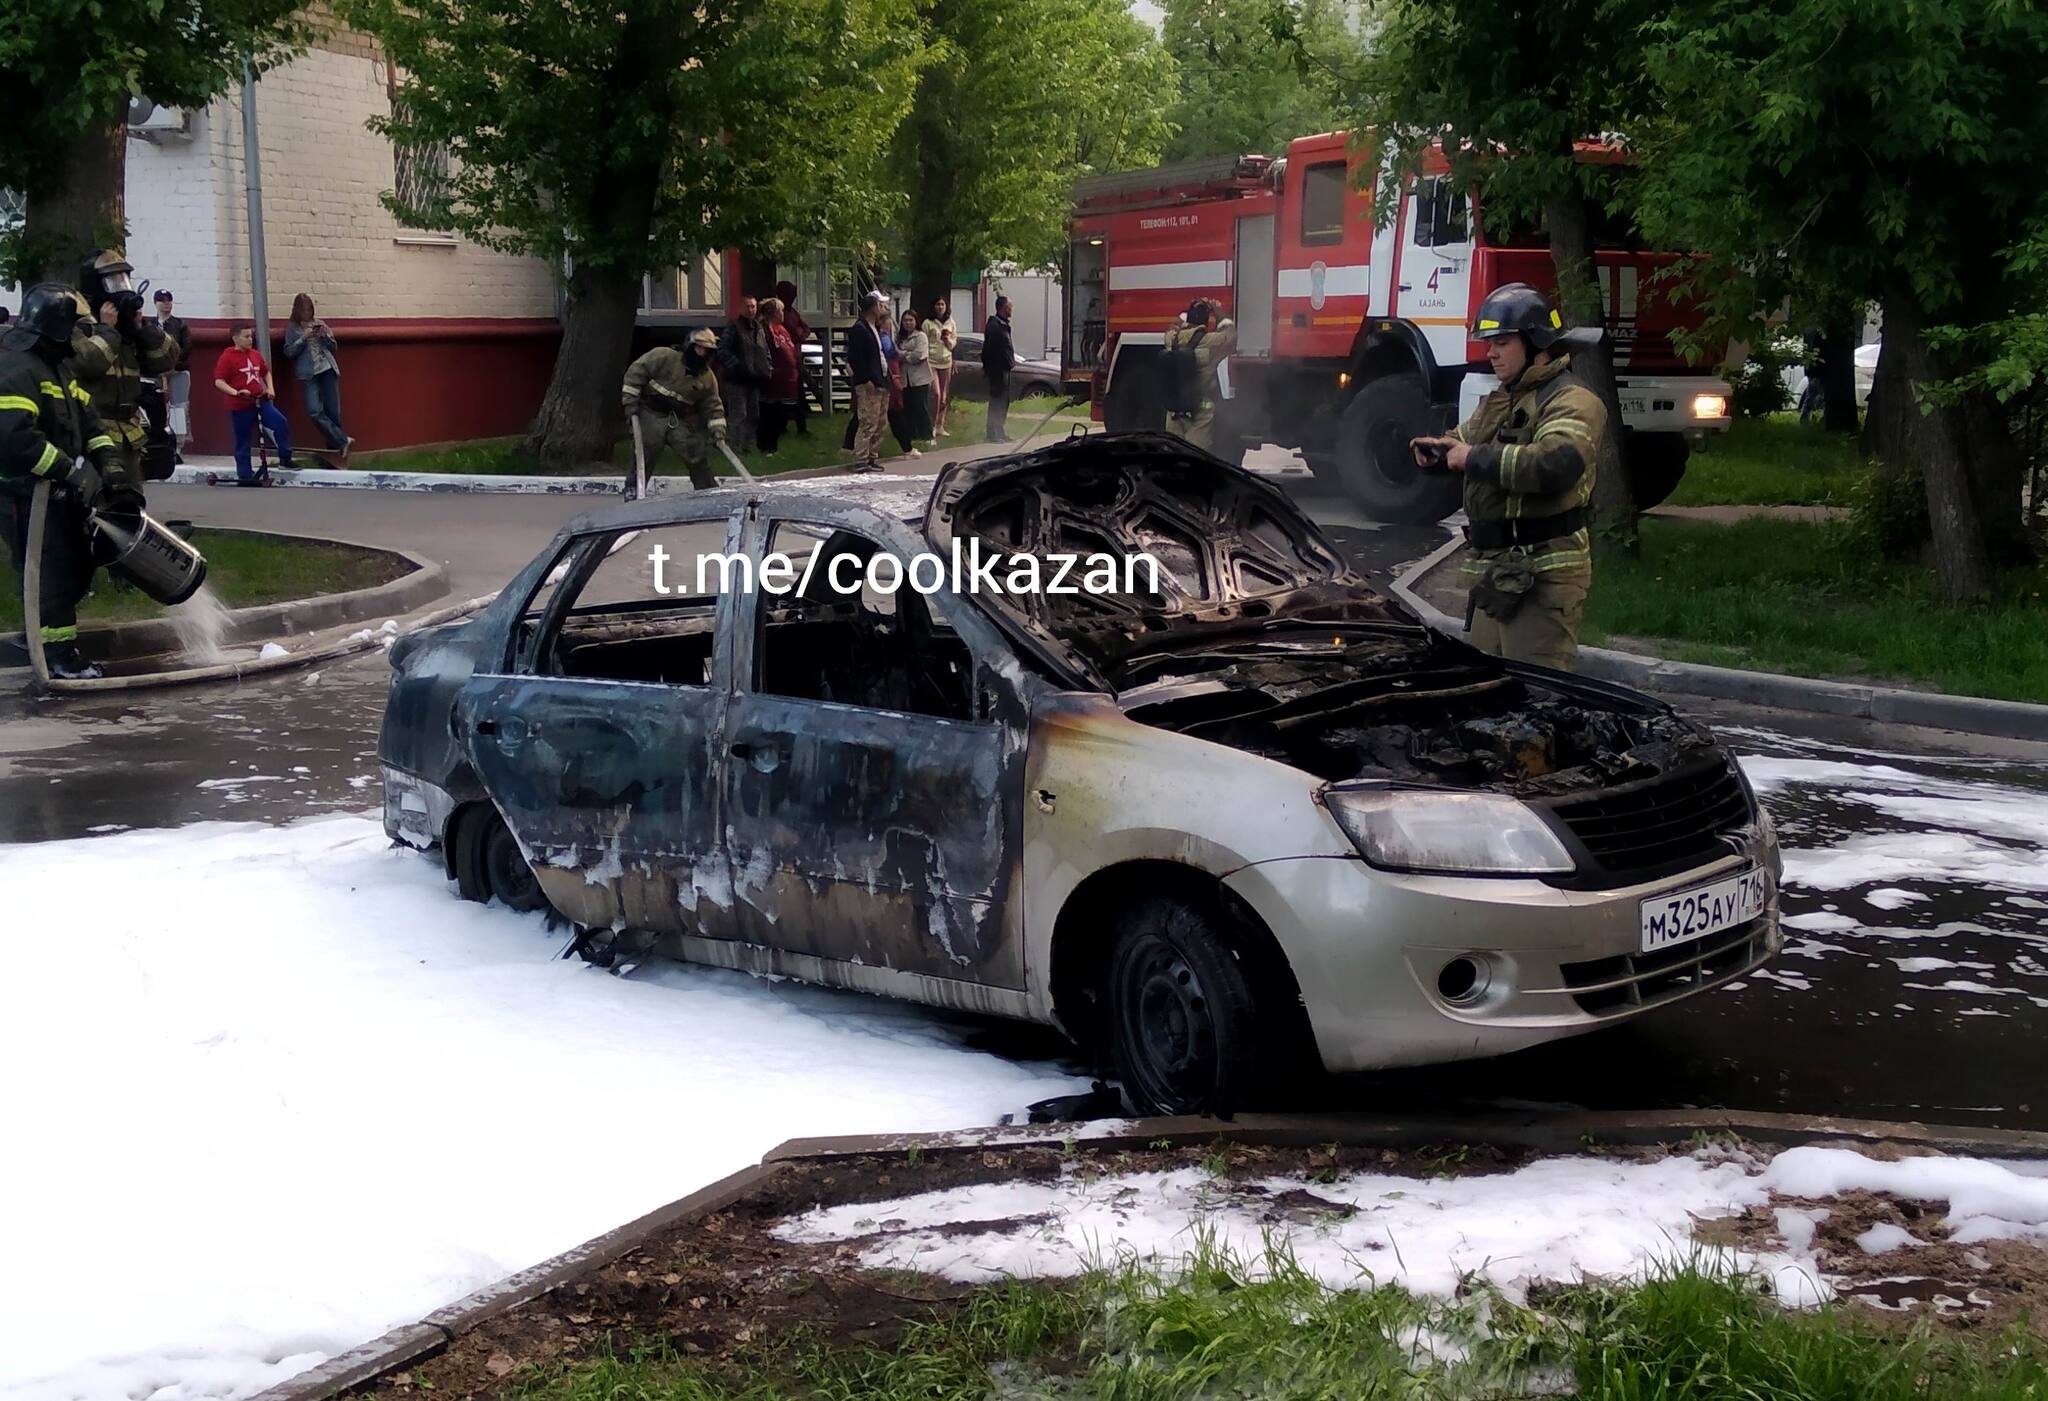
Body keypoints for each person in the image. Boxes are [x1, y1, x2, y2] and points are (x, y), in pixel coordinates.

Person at [1407, 282, 1605, 672]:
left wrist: (1472, 458)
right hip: (1498, 576)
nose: (1491, 352)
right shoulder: (1504, 399)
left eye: (1502, 342)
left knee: (1537, 699)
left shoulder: (1573, 400)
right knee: (1489, 695)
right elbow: (1463, 443)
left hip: (1543, 579)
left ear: (1535, 342)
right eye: (1489, 343)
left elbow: (1556, 464)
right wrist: (1437, 452)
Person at [1, 284, 146, 679]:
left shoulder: (58, 371)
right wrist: (69, 470)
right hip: (25, 494)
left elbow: (92, 426)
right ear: (60, 329)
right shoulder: (16, 370)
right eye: (76, 328)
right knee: (53, 572)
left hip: (56, 495)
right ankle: (56, 657)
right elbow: (14, 441)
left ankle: (46, 641)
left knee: (76, 567)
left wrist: (112, 472)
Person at [71, 250, 177, 482]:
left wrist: (142, 328)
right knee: (96, 501)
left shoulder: (127, 330)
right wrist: (106, 329)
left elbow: (166, 360)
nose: (122, 288)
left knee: (129, 502)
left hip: (129, 433)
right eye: (113, 281)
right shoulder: (78, 327)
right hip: (92, 434)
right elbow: (88, 364)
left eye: (124, 279)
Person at [620, 328, 727, 497]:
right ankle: (634, 488)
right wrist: (630, 403)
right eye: (699, 348)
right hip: (650, 412)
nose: (702, 354)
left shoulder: (707, 377)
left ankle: (707, 490)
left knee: (694, 450)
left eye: (707, 350)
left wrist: (718, 431)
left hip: (678, 418)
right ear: (689, 346)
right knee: (645, 450)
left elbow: (713, 405)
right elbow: (636, 373)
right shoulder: (663, 356)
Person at [213, 324, 297, 485]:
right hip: (240, 404)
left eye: (251, 336)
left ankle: (285, 458)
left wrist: (270, 388)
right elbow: (219, 381)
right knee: (243, 438)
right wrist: (235, 392)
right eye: (246, 336)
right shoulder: (228, 357)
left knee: (279, 422)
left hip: (260, 400)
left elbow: (265, 373)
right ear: (236, 338)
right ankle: (244, 473)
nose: (250, 339)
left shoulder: (255, 355)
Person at [1160, 297, 1238, 452]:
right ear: (1205, 322)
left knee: (1173, 456)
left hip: (1174, 412)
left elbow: (1173, 326)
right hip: (1199, 413)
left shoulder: (1171, 340)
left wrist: (1184, 314)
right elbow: (1230, 335)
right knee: (1196, 457)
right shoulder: (1211, 342)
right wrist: (1218, 311)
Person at [282, 293, 353, 460]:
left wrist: (324, 337)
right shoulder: (293, 327)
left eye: (309, 309)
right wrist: (303, 338)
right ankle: (343, 440)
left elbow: (333, 347)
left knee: (333, 412)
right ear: (297, 310)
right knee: (314, 411)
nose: (307, 313)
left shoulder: (320, 323)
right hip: (309, 373)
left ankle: (335, 452)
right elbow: (289, 351)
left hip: (327, 369)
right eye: (304, 310)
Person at [715, 295, 773, 454]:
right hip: (737, 379)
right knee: (738, 414)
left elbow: (765, 350)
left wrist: (768, 367)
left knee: (754, 414)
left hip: (754, 378)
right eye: (748, 306)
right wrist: (737, 366)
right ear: (741, 308)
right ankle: (735, 447)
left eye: (753, 306)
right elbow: (722, 350)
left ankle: (748, 446)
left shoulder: (758, 328)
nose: (751, 309)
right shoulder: (733, 327)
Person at [845, 290, 891, 473]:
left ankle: (873, 456)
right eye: (880, 305)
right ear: (873, 307)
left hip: (880, 380)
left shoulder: (875, 328)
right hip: (868, 383)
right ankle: (861, 457)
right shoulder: (860, 329)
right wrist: (865, 379)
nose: (883, 308)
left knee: (880, 421)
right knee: (868, 421)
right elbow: (856, 359)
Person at [774, 279, 818, 435]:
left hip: (795, 358)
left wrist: (801, 335)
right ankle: (785, 425)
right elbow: (792, 330)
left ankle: (800, 426)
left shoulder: (793, 312)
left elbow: (805, 328)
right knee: (789, 394)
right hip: (787, 361)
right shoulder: (782, 314)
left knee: (799, 393)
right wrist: (799, 334)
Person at [153, 290, 192, 460]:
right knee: (156, 407)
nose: (166, 303)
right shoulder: (150, 325)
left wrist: (172, 365)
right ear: (156, 303)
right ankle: (158, 444)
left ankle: (177, 448)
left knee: (179, 409)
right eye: (162, 301)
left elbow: (187, 348)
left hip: (178, 371)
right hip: (156, 374)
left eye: (169, 300)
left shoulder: (180, 324)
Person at [759, 298, 801, 455]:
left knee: (783, 415)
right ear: (772, 313)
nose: (783, 313)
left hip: (788, 379)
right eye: (780, 310)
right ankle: (766, 447)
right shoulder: (764, 329)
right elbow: (763, 352)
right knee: (769, 414)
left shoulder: (782, 329)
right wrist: (769, 370)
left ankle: (773, 446)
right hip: (773, 379)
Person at [897, 310, 932, 453]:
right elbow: (894, 354)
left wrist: (904, 355)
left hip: (920, 378)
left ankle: (927, 434)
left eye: (910, 320)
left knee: (921, 406)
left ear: (916, 321)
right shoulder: (900, 338)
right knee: (908, 408)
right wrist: (903, 356)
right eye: (905, 320)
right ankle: (912, 434)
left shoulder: (921, 336)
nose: (908, 323)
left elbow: (920, 355)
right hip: (905, 378)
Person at [982, 296, 1015, 443]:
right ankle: (992, 433)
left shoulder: (1003, 325)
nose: (1011, 308)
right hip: (997, 370)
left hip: (1004, 369)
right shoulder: (994, 326)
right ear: (1002, 308)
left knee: (1004, 402)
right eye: (1009, 306)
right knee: (996, 401)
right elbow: (990, 350)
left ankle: (1000, 431)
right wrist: (991, 368)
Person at [926, 296, 957, 436]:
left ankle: (940, 425)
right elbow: (924, 341)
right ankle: (931, 424)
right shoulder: (928, 323)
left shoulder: (951, 323)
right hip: (932, 361)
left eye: (943, 304)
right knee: (936, 394)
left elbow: (953, 344)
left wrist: (947, 339)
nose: (940, 307)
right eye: (938, 304)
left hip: (946, 362)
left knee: (944, 396)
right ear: (934, 306)